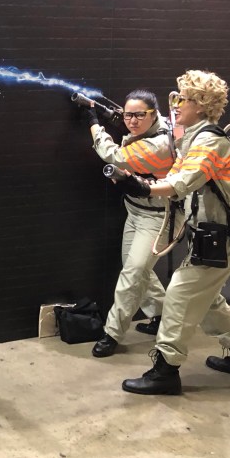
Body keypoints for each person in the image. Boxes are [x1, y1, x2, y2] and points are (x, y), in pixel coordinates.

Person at [119, 70, 230, 396]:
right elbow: (177, 173)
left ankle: (165, 371)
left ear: (201, 104)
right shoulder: (196, 138)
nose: (176, 104)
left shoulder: (209, 142)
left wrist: (143, 187)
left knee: (180, 295)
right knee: (207, 300)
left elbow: (182, 182)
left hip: (221, 237)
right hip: (213, 236)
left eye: (183, 98)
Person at [78, 90, 173, 358]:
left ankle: (112, 333)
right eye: (128, 114)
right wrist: (113, 115)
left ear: (153, 114)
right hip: (135, 210)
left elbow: (113, 155)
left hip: (159, 217)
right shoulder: (153, 127)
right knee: (137, 269)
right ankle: (161, 314)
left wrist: (93, 121)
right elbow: (131, 130)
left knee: (133, 273)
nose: (131, 121)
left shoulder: (159, 143)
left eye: (139, 115)